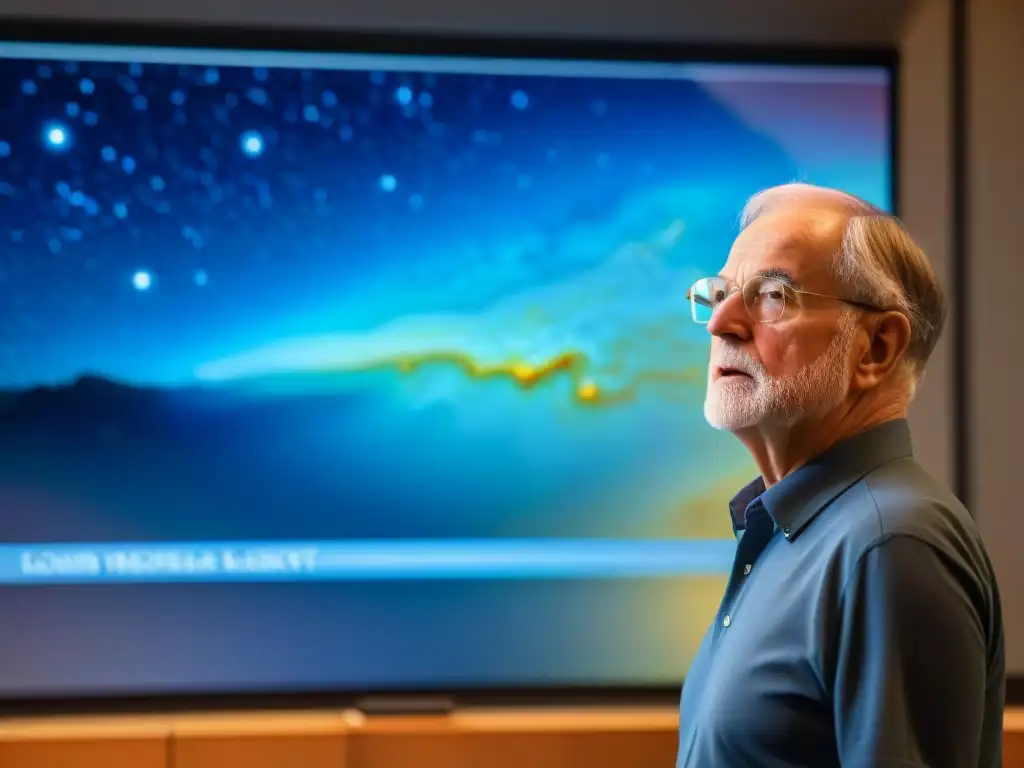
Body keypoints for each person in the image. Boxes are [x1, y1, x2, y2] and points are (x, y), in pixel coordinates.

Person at [676, 183, 1004, 768]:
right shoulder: (795, 530)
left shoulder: (889, 544)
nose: (721, 322)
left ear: (876, 347)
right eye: (720, 292)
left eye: (773, 294)